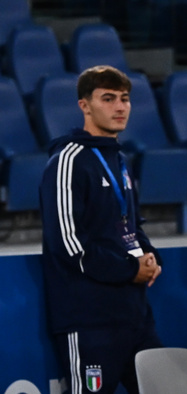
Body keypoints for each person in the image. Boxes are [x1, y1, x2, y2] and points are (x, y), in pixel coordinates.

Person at [39, 65, 163, 394]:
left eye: (124, 99)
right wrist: (128, 269)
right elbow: (68, 246)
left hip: (135, 316)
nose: (120, 107)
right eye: (108, 99)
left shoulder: (120, 160)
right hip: (89, 319)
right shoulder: (69, 160)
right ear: (84, 105)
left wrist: (149, 254)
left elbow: (130, 224)